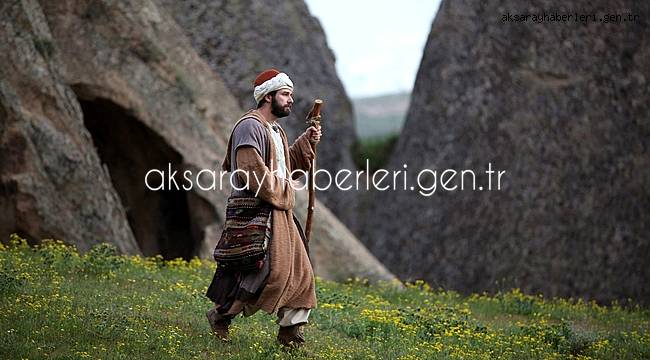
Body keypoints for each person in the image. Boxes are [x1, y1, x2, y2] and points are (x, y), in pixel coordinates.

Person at [205, 68, 322, 348]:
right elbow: (251, 171)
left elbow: (285, 167)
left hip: (278, 210)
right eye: (285, 94)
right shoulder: (249, 126)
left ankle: (290, 335)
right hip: (256, 211)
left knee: (302, 273)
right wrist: (284, 192)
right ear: (268, 96)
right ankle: (221, 315)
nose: (291, 100)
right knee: (267, 272)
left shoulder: (275, 130)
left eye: (291, 94)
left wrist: (307, 142)